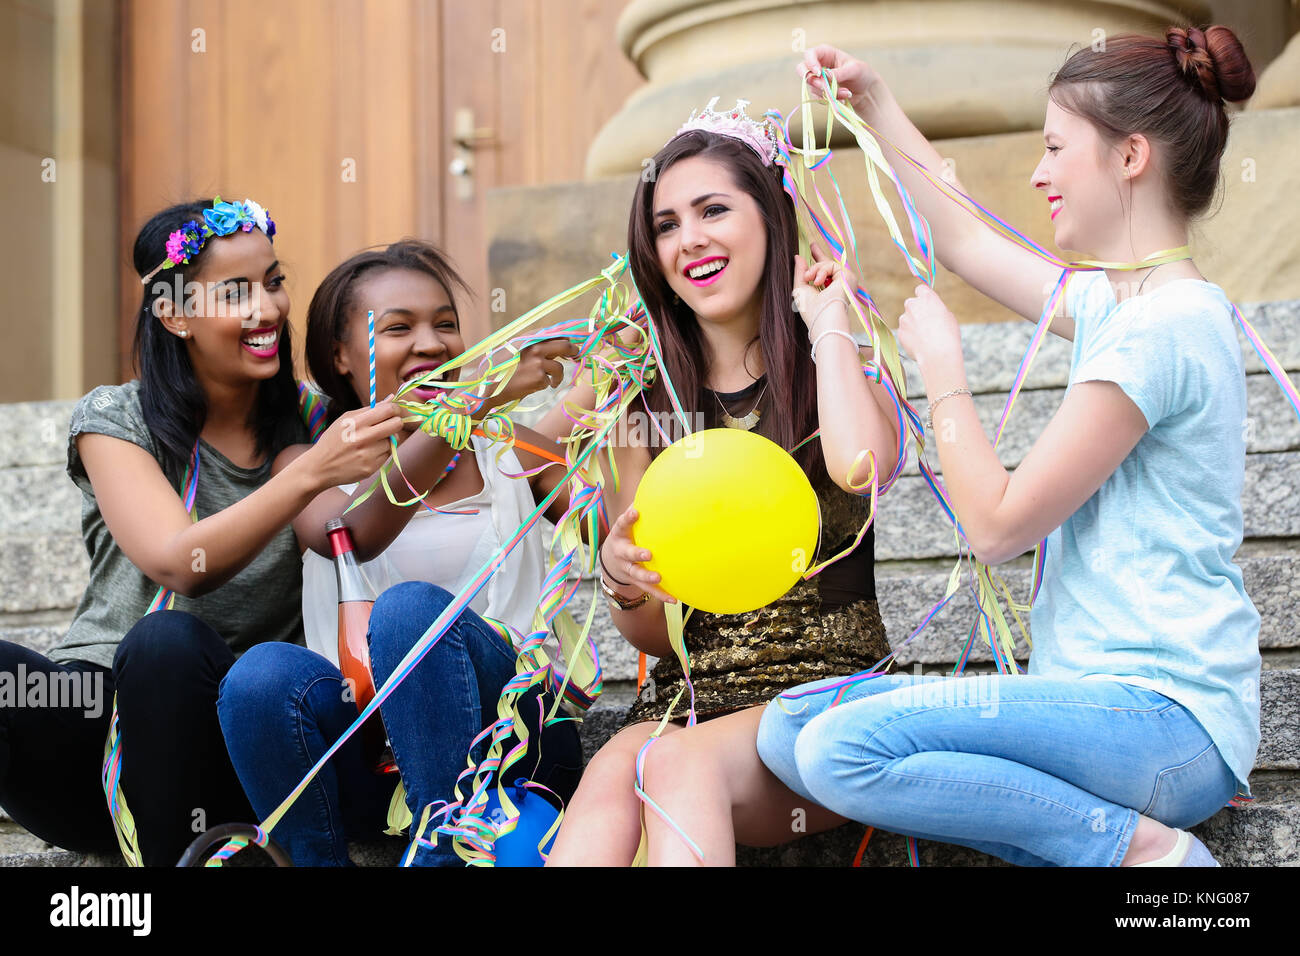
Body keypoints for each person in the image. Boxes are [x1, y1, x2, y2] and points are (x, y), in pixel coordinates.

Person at [758, 26, 1260, 867]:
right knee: (789, 728)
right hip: (1090, 708)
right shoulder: (1123, 308)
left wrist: (945, 373)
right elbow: (963, 239)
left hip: (1165, 718)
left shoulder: (1163, 331)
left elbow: (995, 530)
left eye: (1057, 148)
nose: (1037, 174)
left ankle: (1142, 857)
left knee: (841, 749)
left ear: (1131, 156)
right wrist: (875, 104)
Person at [546, 101, 902, 866]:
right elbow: (648, 634)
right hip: (687, 700)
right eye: (667, 225)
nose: (689, 239)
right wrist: (622, 580)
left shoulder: (832, 366)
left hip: (824, 701)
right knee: (615, 767)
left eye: (713, 210)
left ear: (773, 218)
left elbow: (862, 468)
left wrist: (829, 320)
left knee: (674, 761)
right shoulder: (640, 408)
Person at [0, 198, 402, 866]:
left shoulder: (310, 420)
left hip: (235, 740)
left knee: (171, 649)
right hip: (99, 734)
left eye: (273, 282)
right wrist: (309, 474)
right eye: (236, 291)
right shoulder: (114, 418)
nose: (268, 310)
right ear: (174, 313)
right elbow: (180, 562)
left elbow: (352, 529)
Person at [217, 239, 588, 866]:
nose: (432, 342)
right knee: (259, 676)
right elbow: (353, 535)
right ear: (341, 356)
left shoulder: (511, 448)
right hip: (366, 750)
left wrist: (620, 381)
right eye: (398, 328)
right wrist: (477, 401)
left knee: (412, 611)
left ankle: (445, 855)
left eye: (446, 324)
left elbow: (612, 527)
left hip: (509, 736)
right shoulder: (307, 469)